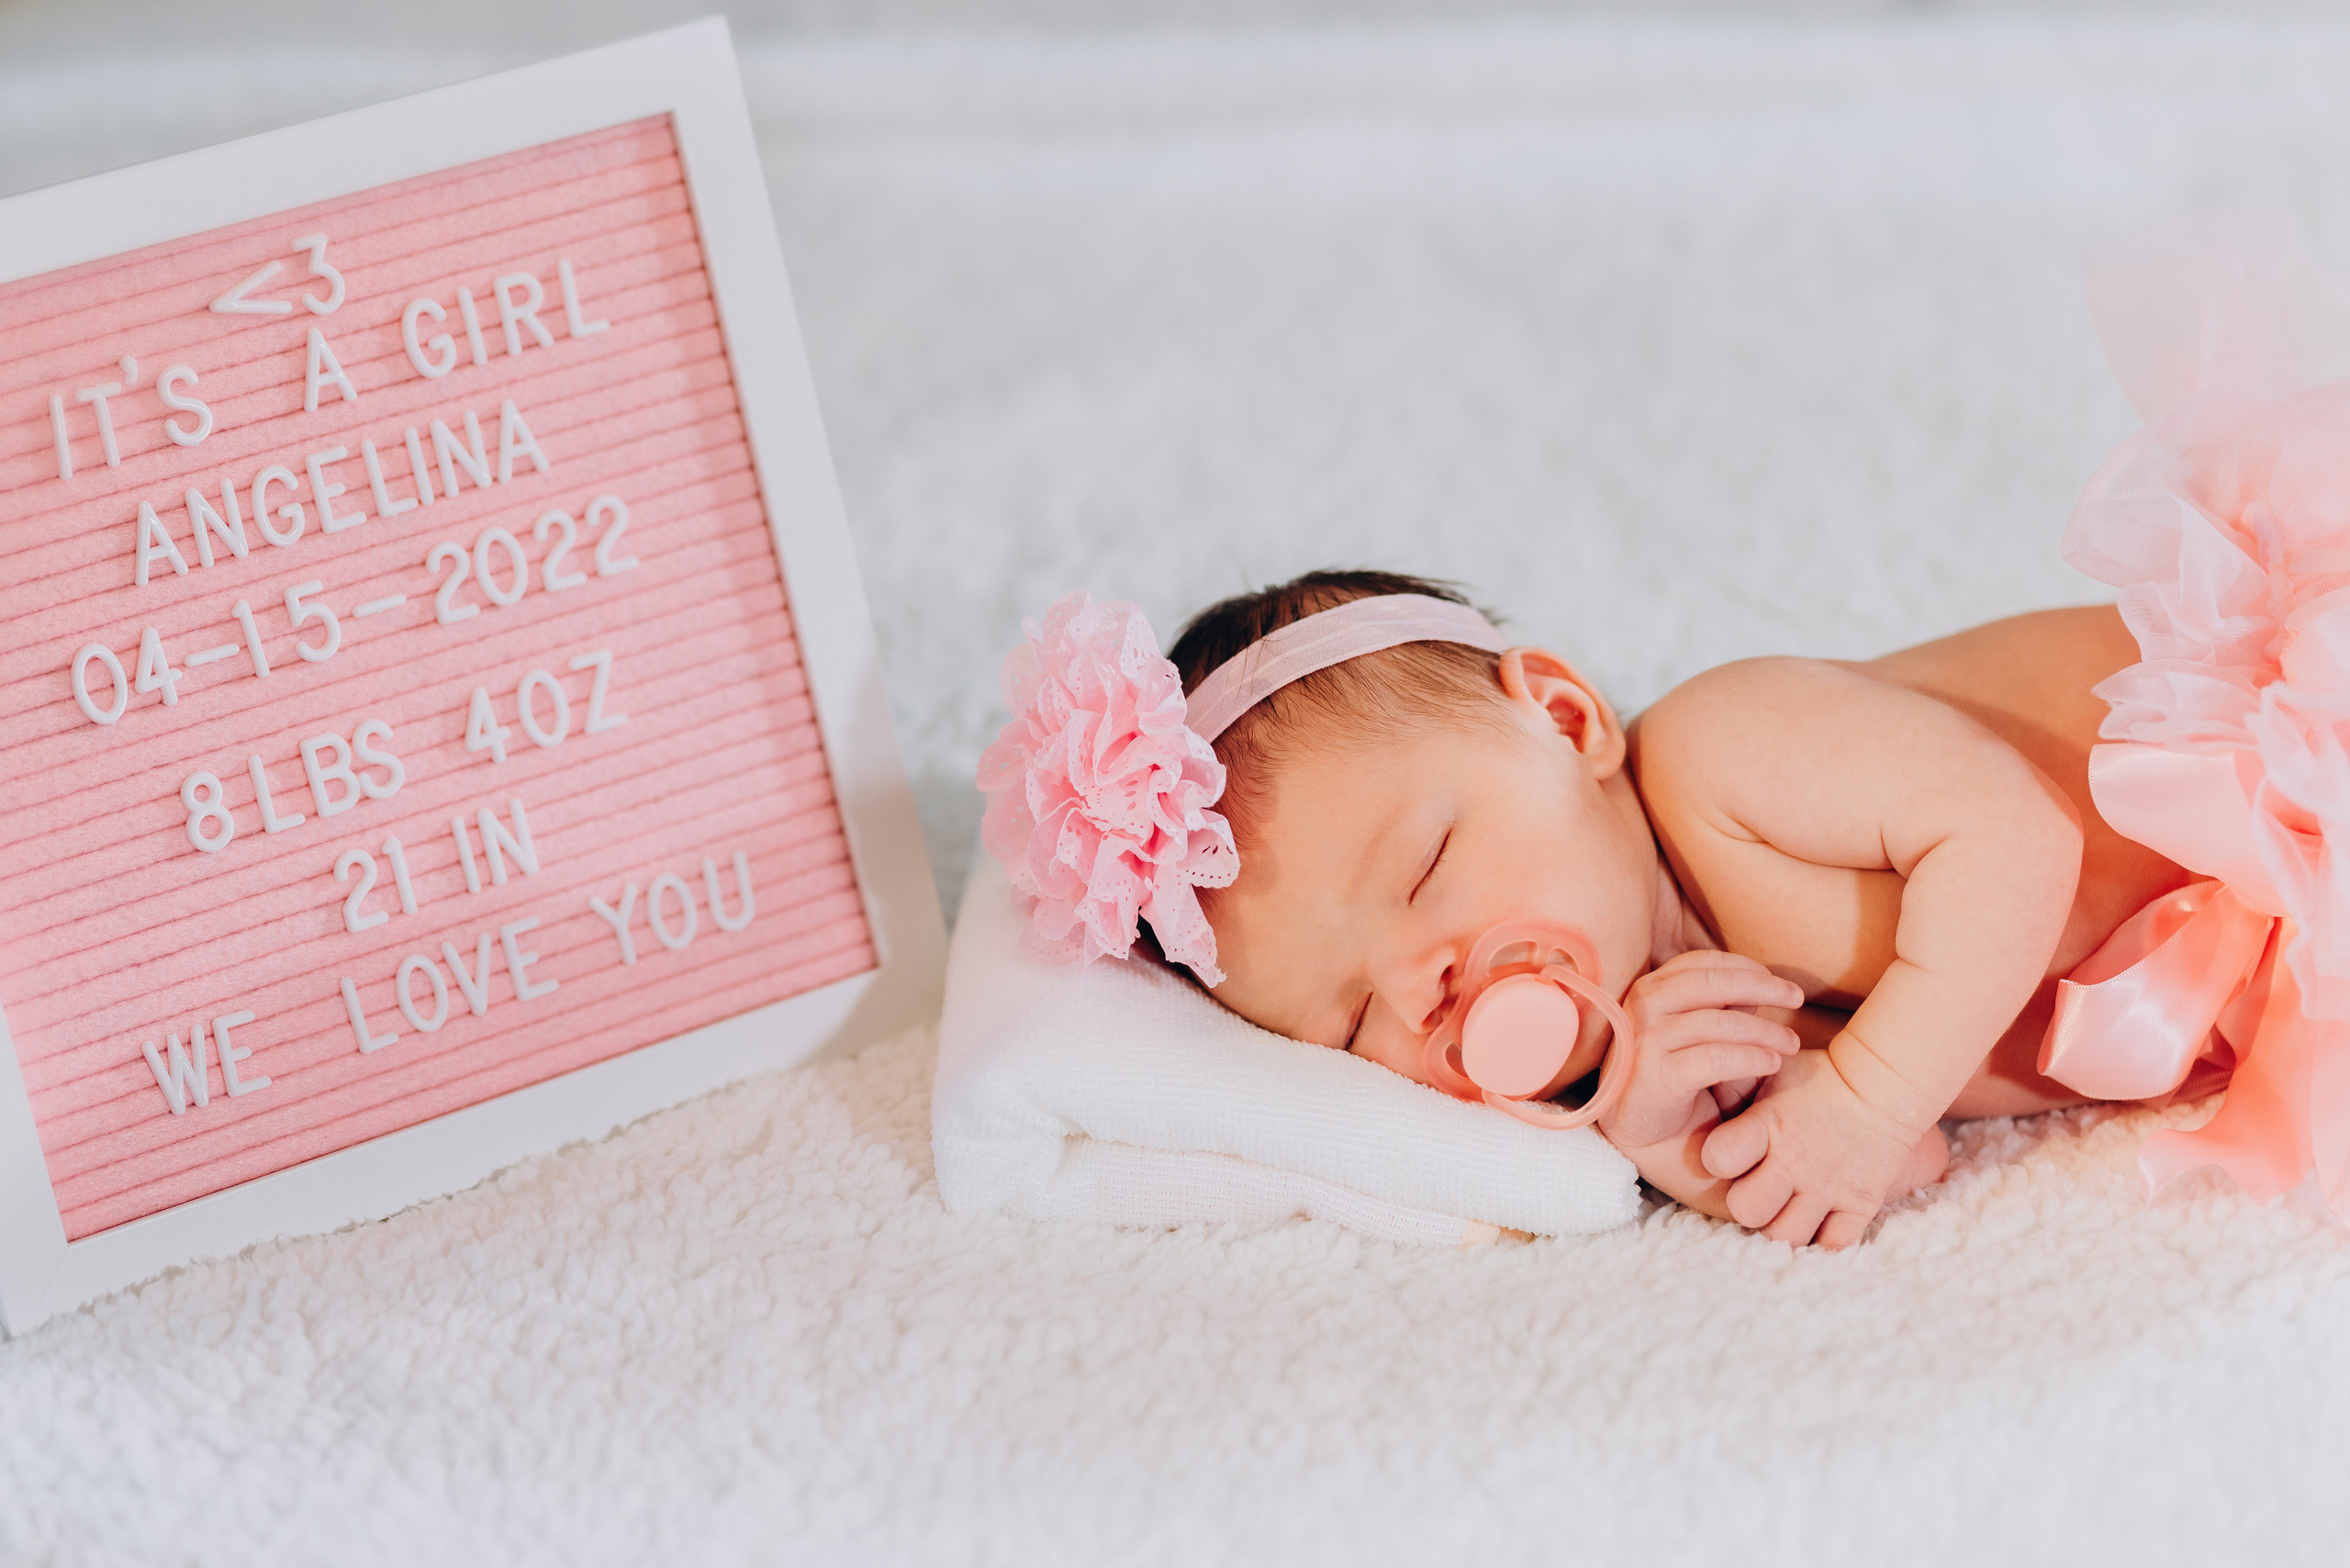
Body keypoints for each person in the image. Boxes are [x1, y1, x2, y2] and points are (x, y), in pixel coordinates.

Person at [979, 212, 2350, 1246]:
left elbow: (2014, 841)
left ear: (1568, 719)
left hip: (2291, 752)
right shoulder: (1662, 1024)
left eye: (1420, 872)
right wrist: (1700, 1147)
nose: (1423, 985)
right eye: (1349, 1022)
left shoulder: (1717, 756)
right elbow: (1908, 1154)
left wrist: (1863, 1100)